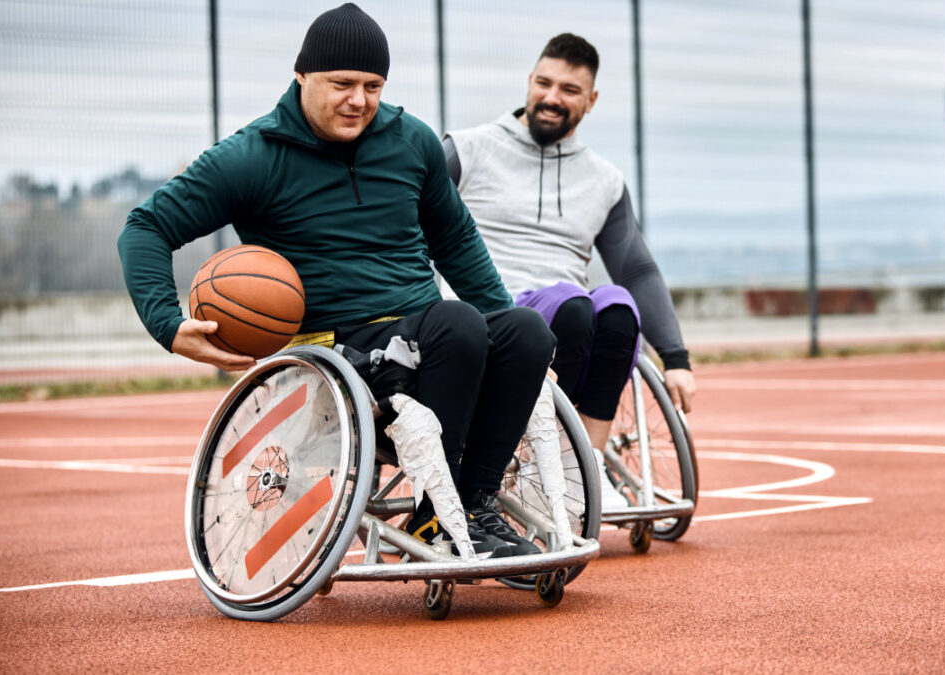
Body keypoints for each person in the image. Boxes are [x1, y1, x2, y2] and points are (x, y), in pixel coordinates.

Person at [117, 3, 552, 558]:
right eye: (342, 83)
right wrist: (167, 324)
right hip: (332, 352)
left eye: (373, 85)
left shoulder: (412, 141)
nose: (359, 101)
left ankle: (467, 508)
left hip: (431, 335)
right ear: (302, 75)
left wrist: (510, 336)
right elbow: (145, 226)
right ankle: (437, 518)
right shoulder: (254, 156)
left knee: (526, 330)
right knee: (459, 324)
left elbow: (457, 240)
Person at [443, 33, 696, 507]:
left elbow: (636, 268)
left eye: (569, 90)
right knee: (572, 304)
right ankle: (547, 463)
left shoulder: (604, 180)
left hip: (567, 317)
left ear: (591, 100)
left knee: (618, 306)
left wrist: (676, 359)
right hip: (493, 314)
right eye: (544, 83)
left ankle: (586, 469)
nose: (552, 98)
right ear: (529, 82)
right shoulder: (468, 149)